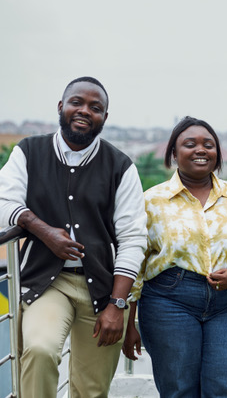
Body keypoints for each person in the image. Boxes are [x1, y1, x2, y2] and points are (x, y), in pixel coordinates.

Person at [0, 77, 147, 398]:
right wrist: (43, 230)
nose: (84, 111)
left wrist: (117, 305)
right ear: (61, 107)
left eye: (96, 108)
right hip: (46, 282)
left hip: (104, 289)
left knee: (91, 390)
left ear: (104, 118)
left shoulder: (121, 166)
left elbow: (133, 238)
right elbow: (4, 203)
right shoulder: (28, 151)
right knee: (39, 350)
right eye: (76, 102)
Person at [121, 116, 227, 397]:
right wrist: (130, 323)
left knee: (226, 389)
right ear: (174, 154)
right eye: (190, 144)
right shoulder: (152, 201)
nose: (201, 150)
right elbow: (136, 264)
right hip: (168, 302)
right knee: (179, 390)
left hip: (226, 305)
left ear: (217, 154)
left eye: (209, 145)